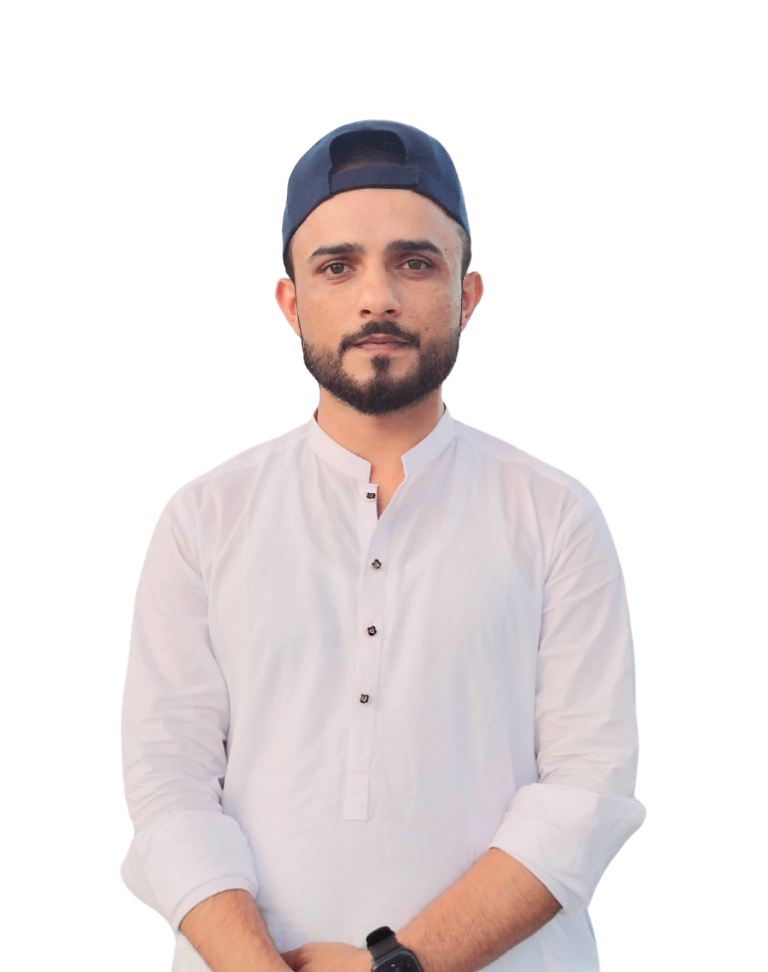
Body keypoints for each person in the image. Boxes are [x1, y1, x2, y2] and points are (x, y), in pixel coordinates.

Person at [119, 119, 647, 972]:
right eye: (338, 266)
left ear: (467, 296)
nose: (378, 298)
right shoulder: (203, 515)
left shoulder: (556, 513)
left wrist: (396, 967)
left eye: (415, 262)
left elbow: (588, 789)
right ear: (290, 302)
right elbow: (166, 778)